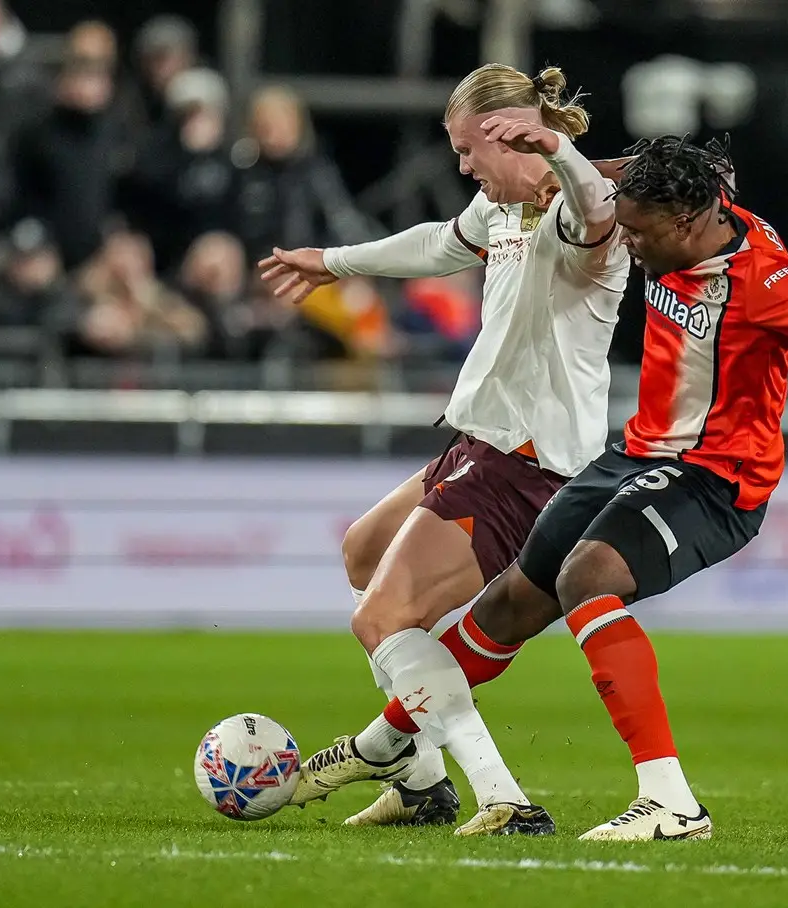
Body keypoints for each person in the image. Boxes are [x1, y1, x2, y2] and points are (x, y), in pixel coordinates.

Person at [297, 135, 788, 841]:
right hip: (636, 453)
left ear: (684, 222)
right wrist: (552, 160)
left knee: (588, 576)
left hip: (715, 479)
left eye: (641, 234)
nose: (632, 247)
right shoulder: (687, 199)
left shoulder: (763, 279)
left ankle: (672, 803)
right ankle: (385, 744)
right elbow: (644, 174)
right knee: (507, 606)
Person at [259, 63, 630, 836]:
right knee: (364, 553)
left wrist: (557, 150)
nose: (463, 165)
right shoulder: (500, 212)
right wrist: (331, 262)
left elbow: (596, 213)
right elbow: (437, 244)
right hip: (484, 445)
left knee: (383, 617)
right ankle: (422, 781)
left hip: (525, 460)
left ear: (513, 137)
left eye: (469, 150)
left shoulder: (571, 211)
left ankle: (504, 796)